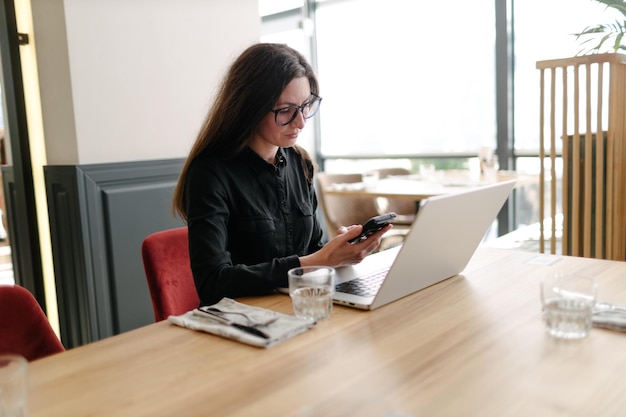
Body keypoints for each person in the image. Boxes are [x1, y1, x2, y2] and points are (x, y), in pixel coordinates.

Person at [172, 43, 391, 305]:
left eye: (306, 105)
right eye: (285, 110)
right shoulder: (210, 173)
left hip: (300, 306)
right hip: (246, 319)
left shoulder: (300, 162)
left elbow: (313, 249)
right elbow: (213, 284)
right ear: (249, 108)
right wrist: (314, 261)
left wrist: (339, 251)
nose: (300, 122)